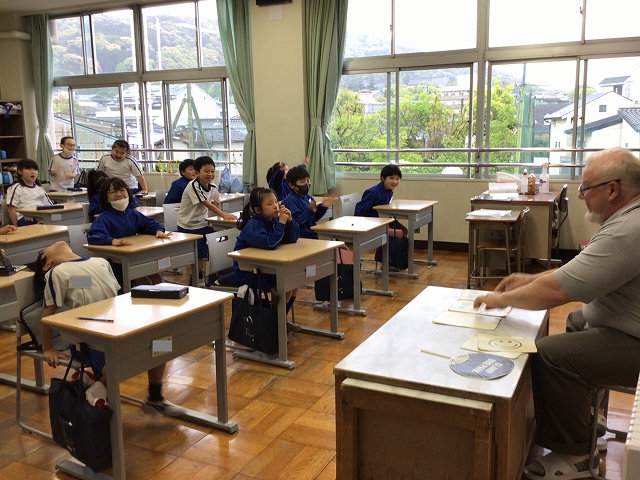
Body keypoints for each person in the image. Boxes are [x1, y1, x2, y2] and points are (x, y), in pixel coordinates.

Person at [473, 147, 640, 480]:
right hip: (626, 326)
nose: (579, 195)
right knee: (578, 320)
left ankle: (575, 455)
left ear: (612, 189)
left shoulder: (628, 229)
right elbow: (578, 271)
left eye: (586, 188)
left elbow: (557, 292)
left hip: (633, 340)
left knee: (551, 355)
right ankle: (589, 422)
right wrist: (528, 279)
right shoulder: (627, 217)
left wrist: (501, 299)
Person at [36, 241, 185, 416]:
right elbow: (48, 314)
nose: (51, 244)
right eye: (43, 250)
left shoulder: (100, 262)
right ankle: (97, 388)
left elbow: (96, 288)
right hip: (90, 341)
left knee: (163, 345)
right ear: (47, 264)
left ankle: (154, 398)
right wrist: (48, 348)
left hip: (118, 329)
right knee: (117, 366)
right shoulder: (57, 273)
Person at [86, 177, 170, 287]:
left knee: (156, 277)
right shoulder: (104, 218)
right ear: (106, 198)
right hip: (115, 265)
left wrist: (158, 230)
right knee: (145, 283)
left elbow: (149, 223)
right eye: (113, 192)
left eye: (122, 190)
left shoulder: (132, 214)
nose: (119, 194)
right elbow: (93, 235)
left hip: (134, 259)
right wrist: (111, 241)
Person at [234, 187, 300, 308]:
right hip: (249, 270)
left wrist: (290, 222)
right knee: (283, 288)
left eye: (276, 201)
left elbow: (291, 239)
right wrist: (281, 224)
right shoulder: (254, 225)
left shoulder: (273, 220)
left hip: (265, 267)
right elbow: (270, 244)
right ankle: (275, 318)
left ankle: (279, 317)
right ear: (258, 210)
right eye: (269, 204)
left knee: (293, 283)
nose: (275, 206)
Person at [177, 156, 236, 280]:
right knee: (195, 254)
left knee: (202, 251)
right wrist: (223, 215)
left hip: (202, 223)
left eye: (212, 171)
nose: (210, 174)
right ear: (196, 173)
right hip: (188, 225)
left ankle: (203, 275)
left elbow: (217, 201)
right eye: (206, 171)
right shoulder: (193, 185)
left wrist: (218, 216)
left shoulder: (212, 186)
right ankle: (196, 277)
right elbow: (207, 204)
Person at [281, 165, 337, 239]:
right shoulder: (291, 200)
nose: (306, 184)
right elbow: (296, 222)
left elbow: (314, 218)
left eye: (308, 180)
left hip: (311, 234)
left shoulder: (307, 197)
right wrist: (309, 211)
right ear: (291, 185)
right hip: (300, 237)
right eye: (302, 182)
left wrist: (323, 206)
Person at [97, 140, 148, 205]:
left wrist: (144, 189)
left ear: (126, 153)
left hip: (129, 188)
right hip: (111, 188)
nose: (118, 155)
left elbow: (139, 176)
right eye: (116, 151)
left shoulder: (130, 160)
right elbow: (99, 174)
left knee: (126, 202)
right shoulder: (104, 159)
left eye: (122, 153)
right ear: (112, 149)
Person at [6, 158, 54, 227]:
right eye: (29, 169)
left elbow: (50, 206)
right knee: (41, 222)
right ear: (20, 171)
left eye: (35, 169)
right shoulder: (16, 188)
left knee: (59, 217)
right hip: (25, 218)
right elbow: (11, 209)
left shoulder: (39, 188)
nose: (33, 172)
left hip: (41, 215)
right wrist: (16, 227)